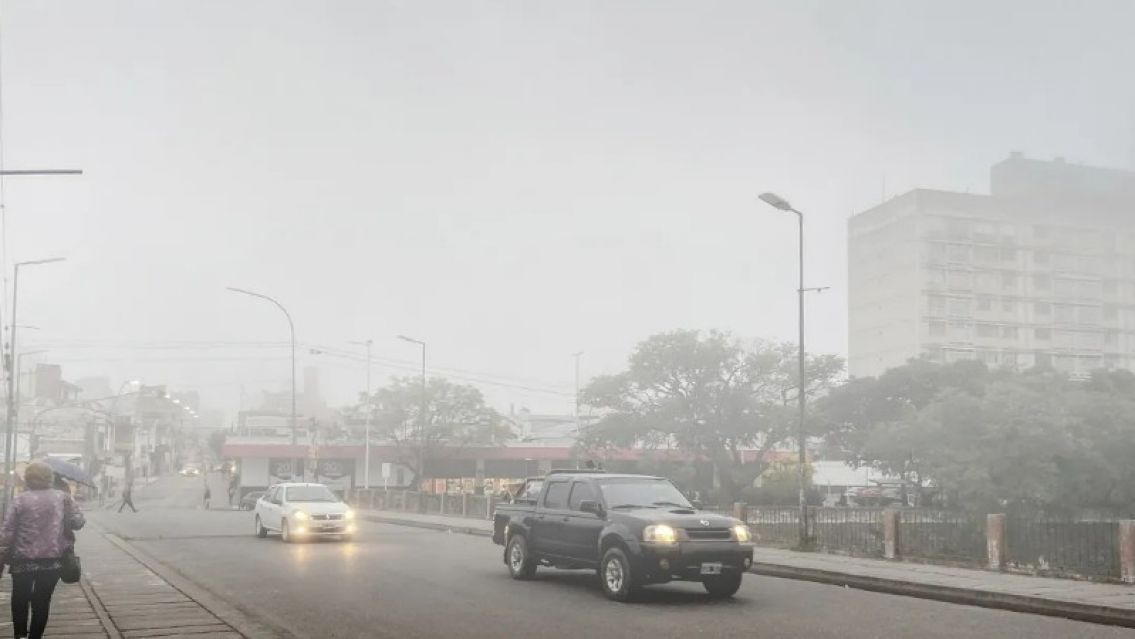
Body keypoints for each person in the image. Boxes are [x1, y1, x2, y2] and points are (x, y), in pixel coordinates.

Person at [0, 461, 85, 639]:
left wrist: (2, 554)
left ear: (27, 478)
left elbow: (7, 532)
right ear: (50, 478)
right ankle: (35, 637)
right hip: (52, 561)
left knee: (20, 599)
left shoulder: (20, 500)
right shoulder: (63, 498)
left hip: (22, 561)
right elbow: (78, 522)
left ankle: (20, 635)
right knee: (42, 601)